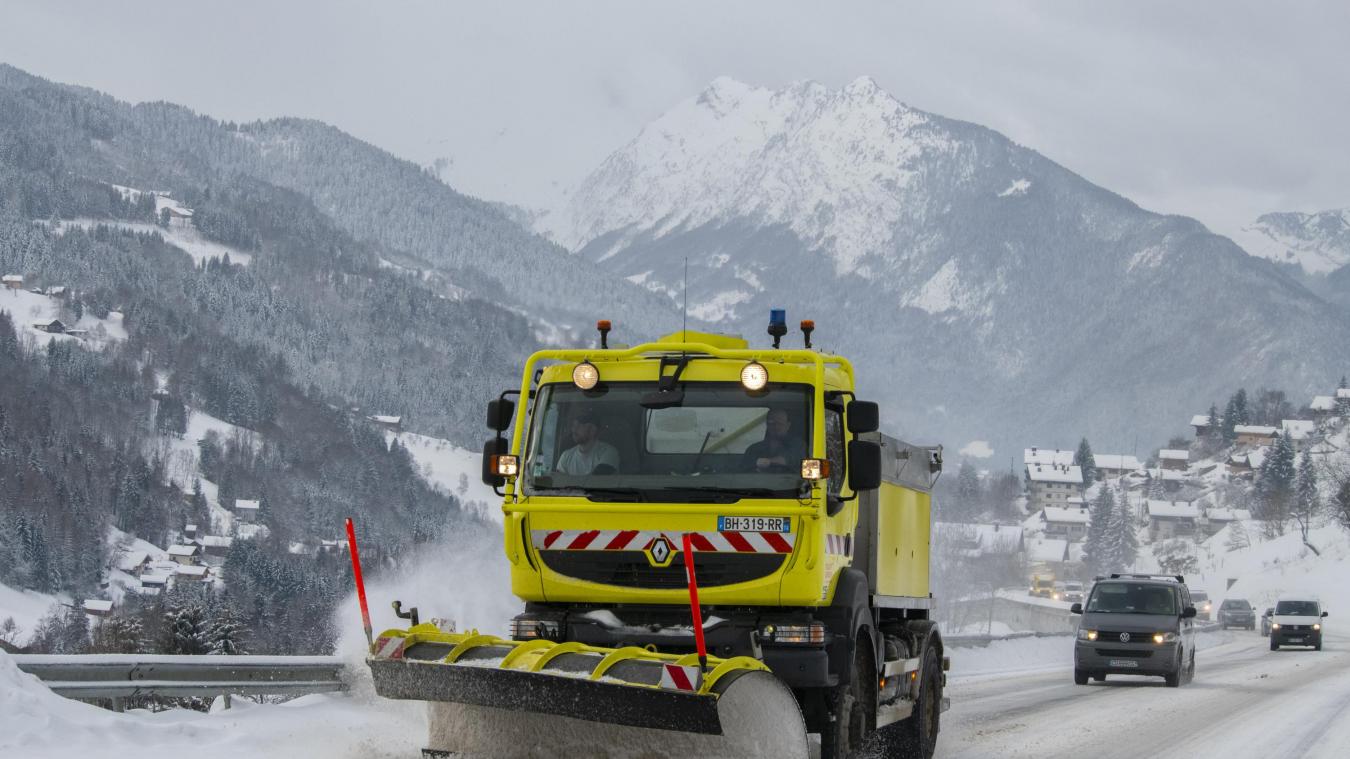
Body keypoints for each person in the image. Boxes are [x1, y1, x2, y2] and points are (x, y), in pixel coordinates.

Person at [555, 407, 621, 475]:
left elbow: (596, 481)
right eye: (573, 425)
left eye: (579, 426)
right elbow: (558, 482)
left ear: (592, 430)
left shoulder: (609, 452)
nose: (574, 430)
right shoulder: (566, 456)